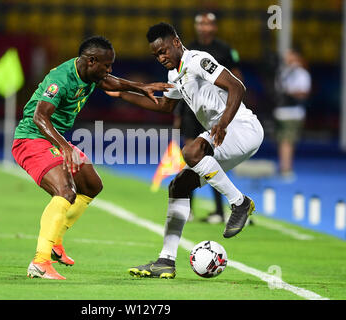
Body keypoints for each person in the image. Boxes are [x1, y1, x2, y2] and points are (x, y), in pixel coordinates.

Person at [105, 22, 263, 278]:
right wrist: (123, 94)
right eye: (156, 55)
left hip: (242, 128)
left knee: (190, 152)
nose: (161, 57)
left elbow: (237, 87)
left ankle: (240, 203)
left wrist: (222, 123)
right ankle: (165, 261)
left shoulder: (198, 61)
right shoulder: (173, 75)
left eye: (164, 50)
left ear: (176, 42)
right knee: (179, 186)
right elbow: (166, 107)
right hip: (223, 136)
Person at [12, 36, 171, 280]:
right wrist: (65, 146)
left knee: (91, 185)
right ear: (91, 60)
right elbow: (40, 117)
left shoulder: (90, 74)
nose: (109, 70)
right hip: (31, 139)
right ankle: (40, 261)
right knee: (65, 192)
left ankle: (56, 241)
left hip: (52, 141)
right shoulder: (61, 79)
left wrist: (141, 87)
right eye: (106, 65)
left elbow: (109, 82)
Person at [173, 12, 243, 224]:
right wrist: (177, 114)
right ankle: (189, 209)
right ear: (196, 27)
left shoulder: (225, 50)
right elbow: (180, 85)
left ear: (214, 27)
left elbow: (237, 78)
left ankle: (219, 211)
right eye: (201, 24)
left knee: (214, 160)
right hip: (190, 113)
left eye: (208, 24)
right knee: (190, 159)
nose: (204, 27)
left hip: (215, 112)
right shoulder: (188, 51)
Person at [274, 48, 311, 178]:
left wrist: (289, 93)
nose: (287, 58)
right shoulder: (283, 72)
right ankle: (285, 168)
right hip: (281, 111)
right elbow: (278, 89)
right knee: (283, 141)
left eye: (290, 55)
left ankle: (286, 168)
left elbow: (304, 92)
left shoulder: (301, 73)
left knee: (287, 141)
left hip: (293, 112)